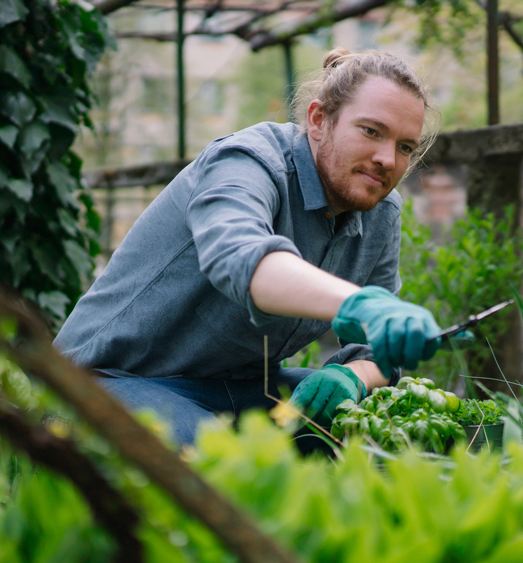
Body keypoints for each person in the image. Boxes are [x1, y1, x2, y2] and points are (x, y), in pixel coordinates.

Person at [54, 48, 444, 446]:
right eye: (371, 131)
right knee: (209, 461)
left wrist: (353, 376)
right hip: (110, 379)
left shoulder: (381, 212)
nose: (386, 159)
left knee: (384, 430)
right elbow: (241, 257)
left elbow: (375, 350)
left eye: (405, 147)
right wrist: (357, 303)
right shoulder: (248, 162)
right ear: (318, 120)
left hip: (238, 389)